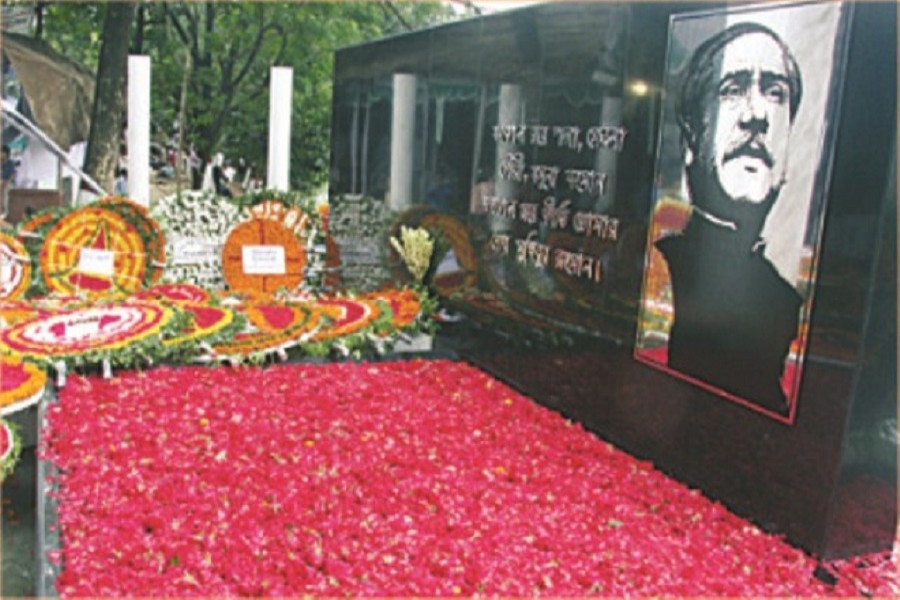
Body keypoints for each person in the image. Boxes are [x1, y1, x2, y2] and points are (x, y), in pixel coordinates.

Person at [655, 22, 804, 416]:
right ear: (691, 139)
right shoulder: (660, 267)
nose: (758, 115)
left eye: (775, 93)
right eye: (733, 90)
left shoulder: (785, 299)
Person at [1, 145, 17, 215]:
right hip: (2, 182)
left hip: (8, 183)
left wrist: (6, 182)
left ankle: (6, 213)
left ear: (5, 153)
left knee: (6, 198)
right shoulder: (1, 163)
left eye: (1, 152)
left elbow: (12, 175)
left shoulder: (10, 163)